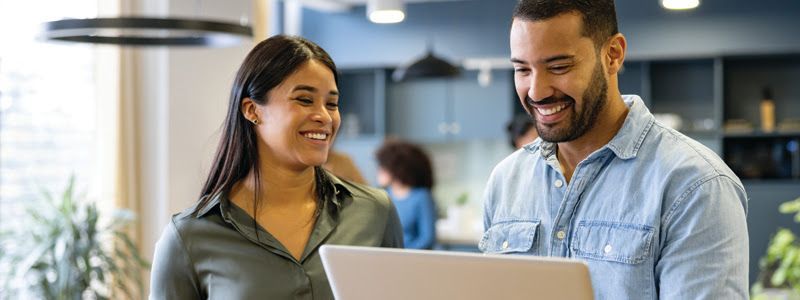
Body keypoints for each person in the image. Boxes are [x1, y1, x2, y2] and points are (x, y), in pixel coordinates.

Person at [481, 1, 748, 299]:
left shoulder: (695, 186)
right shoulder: (505, 181)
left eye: (558, 67)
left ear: (613, 55)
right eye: (522, 69)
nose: (536, 91)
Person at [149, 35, 403, 299]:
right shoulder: (189, 237)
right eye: (304, 100)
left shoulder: (374, 213)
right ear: (252, 110)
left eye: (332, 104)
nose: (324, 117)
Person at [376, 140, 437, 250]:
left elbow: (427, 239)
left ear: (398, 169)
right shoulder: (382, 195)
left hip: (412, 259)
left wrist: (402, 254)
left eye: (383, 167)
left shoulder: (422, 197)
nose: (379, 171)